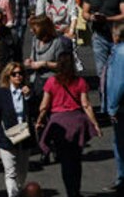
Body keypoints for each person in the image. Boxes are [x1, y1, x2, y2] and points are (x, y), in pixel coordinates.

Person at [36, 52, 102, 197]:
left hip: (59, 123)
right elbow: (86, 105)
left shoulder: (51, 82)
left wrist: (40, 119)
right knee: (76, 159)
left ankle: (70, 191)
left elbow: (44, 106)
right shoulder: (80, 82)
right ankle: (76, 190)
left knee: (65, 161)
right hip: (76, 123)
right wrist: (95, 124)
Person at [0, 62, 37, 197]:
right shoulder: (2, 93)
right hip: (7, 135)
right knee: (10, 172)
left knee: (22, 172)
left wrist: (28, 97)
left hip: (24, 135)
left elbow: (35, 112)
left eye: (20, 73)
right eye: (14, 74)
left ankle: (18, 191)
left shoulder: (28, 91)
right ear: (8, 76)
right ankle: (12, 194)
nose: (18, 76)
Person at [105, 21, 124, 194]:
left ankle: (121, 179)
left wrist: (112, 106)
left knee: (119, 143)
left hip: (121, 108)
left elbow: (119, 82)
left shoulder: (120, 53)